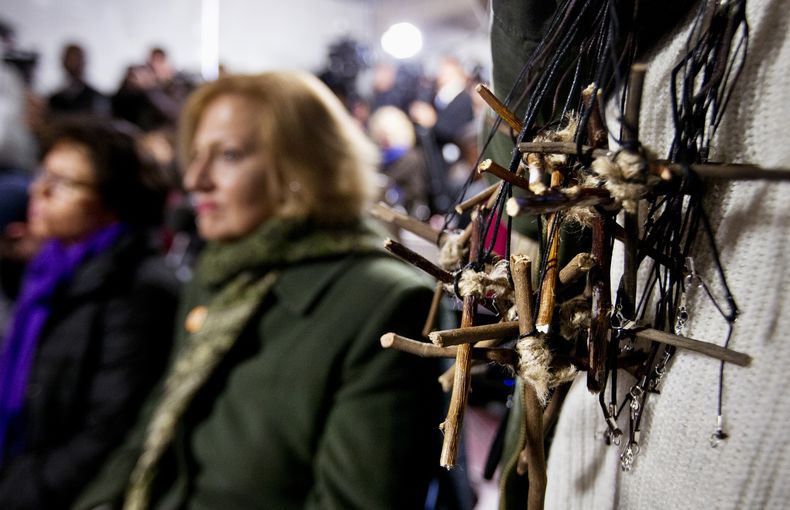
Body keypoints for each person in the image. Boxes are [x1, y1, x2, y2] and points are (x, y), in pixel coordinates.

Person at [75, 71, 442, 510]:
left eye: (228, 155)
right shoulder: (220, 273)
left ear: (302, 168)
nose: (194, 180)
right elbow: (153, 429)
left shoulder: (385, 301)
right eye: (194, 155)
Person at [0, 117, 179, 510]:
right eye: (42, 173)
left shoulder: (138, 290)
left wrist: (16, 491)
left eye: (61, 184)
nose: (38, 190)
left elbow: (107, 432)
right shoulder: (51, 265)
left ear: (111, 201)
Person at [47, 43, 110, 118]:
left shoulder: (97, 97)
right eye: (70, 59)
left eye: (77, 58)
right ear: (63, 62)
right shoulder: (54, 99)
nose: (74, 63)